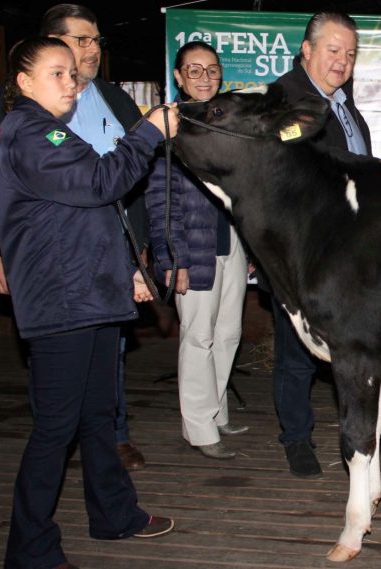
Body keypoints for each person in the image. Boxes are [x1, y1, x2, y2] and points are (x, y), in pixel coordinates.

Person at [0, 35, 179, 569]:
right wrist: (147, 132)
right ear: (24, 82)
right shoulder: (31, 133)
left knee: (98, 414)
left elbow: (86, 216)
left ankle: (114, 515)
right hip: (62, 302)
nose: (70, 82)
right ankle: (29, 551)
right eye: (56, 72)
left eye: (73, 73)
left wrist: (126, 272)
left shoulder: (51, 131)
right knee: (55, 427)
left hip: (89, 294)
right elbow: (101, 181)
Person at [0, 3, 151, 470]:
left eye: (97, 40)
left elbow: (129, 191)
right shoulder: (18, 117)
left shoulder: (110, 99)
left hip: (101, 262)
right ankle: (30, 541)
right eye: (81, 41)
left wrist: (133, 258)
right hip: (60, 278)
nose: (91, 50)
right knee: (59, 410)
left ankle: (114, 482)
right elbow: (99, 180)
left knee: (101, 387)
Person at [271, 11, 381, 477]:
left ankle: (360, 427)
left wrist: (378, 166)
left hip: (346, 253)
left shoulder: (342, 102)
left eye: (350, 53)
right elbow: (303, 165)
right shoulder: (285, 99)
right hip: (305, 252)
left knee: (356, 345)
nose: (342, 61)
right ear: (307, 51)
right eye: (333, 50)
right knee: (297, 350)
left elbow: (346, 167)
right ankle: (296, 438)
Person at [145, 40, 249, 460]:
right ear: (177, 76)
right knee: (198, 338)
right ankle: (199, 429)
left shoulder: (229, 121)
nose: (204, 78)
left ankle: (216, 411)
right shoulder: (167, 127)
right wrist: (172, 259)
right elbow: (158, 200)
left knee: (228, 334)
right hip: (194, 249)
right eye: (194, 70)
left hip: (234, 243)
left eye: (211, 69)